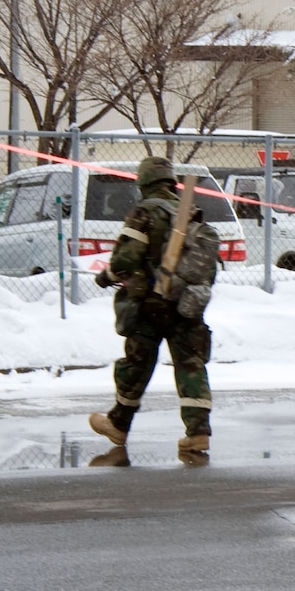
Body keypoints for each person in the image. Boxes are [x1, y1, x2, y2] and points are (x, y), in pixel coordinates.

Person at [88, 157, 214, 464]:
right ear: (171, 182)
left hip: (150, 305)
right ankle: (197, 432)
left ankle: (118, 424)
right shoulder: (192, 213)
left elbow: (123, 262)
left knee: (137, 364)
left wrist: (105, 277)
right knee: (190, 366)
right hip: (186, 302)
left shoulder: (145, 213)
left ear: (143, 184)